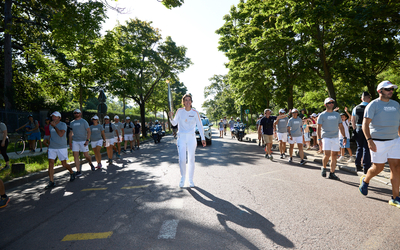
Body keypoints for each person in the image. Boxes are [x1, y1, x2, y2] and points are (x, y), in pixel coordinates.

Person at [359, 81, 400, 208]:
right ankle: (365, 180)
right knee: (378, 168)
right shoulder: (372, 105)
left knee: (396, 168)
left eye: (392, 89)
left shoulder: (396, 105)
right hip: (377, 141)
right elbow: (365, 125)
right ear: (379, 91)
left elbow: (398, 122)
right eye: (388, 89)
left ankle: (395, 197)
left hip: (394, 140)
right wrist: (369, 140)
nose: (391, 91)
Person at [169, 94, 206, 188]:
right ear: (183, 102)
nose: (187, 102)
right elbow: (174, 123)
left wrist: (203, 138)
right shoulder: (180, 111)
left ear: (191, 102)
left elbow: (200, 126)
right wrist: (170, 117)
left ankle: (190, 179)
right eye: (186, 100)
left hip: (191, 137)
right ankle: (183, 177)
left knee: (191, 159)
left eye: (189, 100)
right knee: (182, 159)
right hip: (181, 137)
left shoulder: (195, 112)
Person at [317, 98, 347, 181]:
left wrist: (344, 137)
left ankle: (332, 173)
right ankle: (323, 167)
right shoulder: (322, 115)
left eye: (332, 102)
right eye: (329, 102)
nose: (331, 104)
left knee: (334, 155)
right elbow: (318, 128)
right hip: (326, 137)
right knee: (327, 155)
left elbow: (341, 126)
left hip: (335, 137)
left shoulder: (337, 115)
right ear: (325, 104)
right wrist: (319, 139)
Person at [45, 111, 76, 189]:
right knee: (51, 163)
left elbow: (61, 134)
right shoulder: (50, 125)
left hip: (61, 147)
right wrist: (49, 146)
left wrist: (55, 126)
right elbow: (51, 136)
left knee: (64, 164)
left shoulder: (63, 124)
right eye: (52, 117)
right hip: (52, 147)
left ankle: (72, 172)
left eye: (55, 117)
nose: (53, 118)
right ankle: (51, 181)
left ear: (59, 118)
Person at [69, 109, 95, 175]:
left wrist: (87, 140)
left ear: (80, 113)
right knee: (75, 156)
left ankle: (90, 163)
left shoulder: (84, 121)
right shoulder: (72, 123)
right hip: (75, 141)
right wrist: (70, 142)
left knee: (86, 155)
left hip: (83, 140)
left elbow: (89, 131)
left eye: (77, 113)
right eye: (74, 113)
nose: (76, 114)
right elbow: (71, 133)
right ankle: (78, 171)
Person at [351, 91, 371, 173]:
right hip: (368, 129)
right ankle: (366, 167)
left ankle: (357, 165)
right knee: (366, 147)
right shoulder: (371, 107)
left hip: (358, 128)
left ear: (361, 98)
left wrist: (355, 129)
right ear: (369, 99)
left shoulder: (356, 108)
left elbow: (353, 120)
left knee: (359, 147)